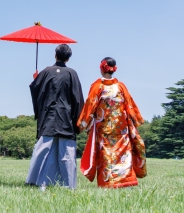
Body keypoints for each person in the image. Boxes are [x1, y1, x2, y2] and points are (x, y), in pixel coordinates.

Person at [77, 57, 146, 189]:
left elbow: (90, 106)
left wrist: (82, 124)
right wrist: (136, 120)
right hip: (121, 128)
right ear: (114, 69)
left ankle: (108, 183)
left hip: (104, 129)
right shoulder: (121, 87)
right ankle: (125, 182)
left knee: (107, 155)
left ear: (102, 68)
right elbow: (130, 104)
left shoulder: (97, 87)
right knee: (123, 155)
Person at [25, 44, 84, 190]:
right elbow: (77, 99)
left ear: (55, 55)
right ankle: (68, 185)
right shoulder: (72, 73)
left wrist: (35, 81)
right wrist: (78, 122)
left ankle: (36, 182)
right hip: (66, 118)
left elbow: (35, 90)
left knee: (43, 151)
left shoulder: (46, 71)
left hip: (48, 117)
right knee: (67, 154)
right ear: (68, 58)